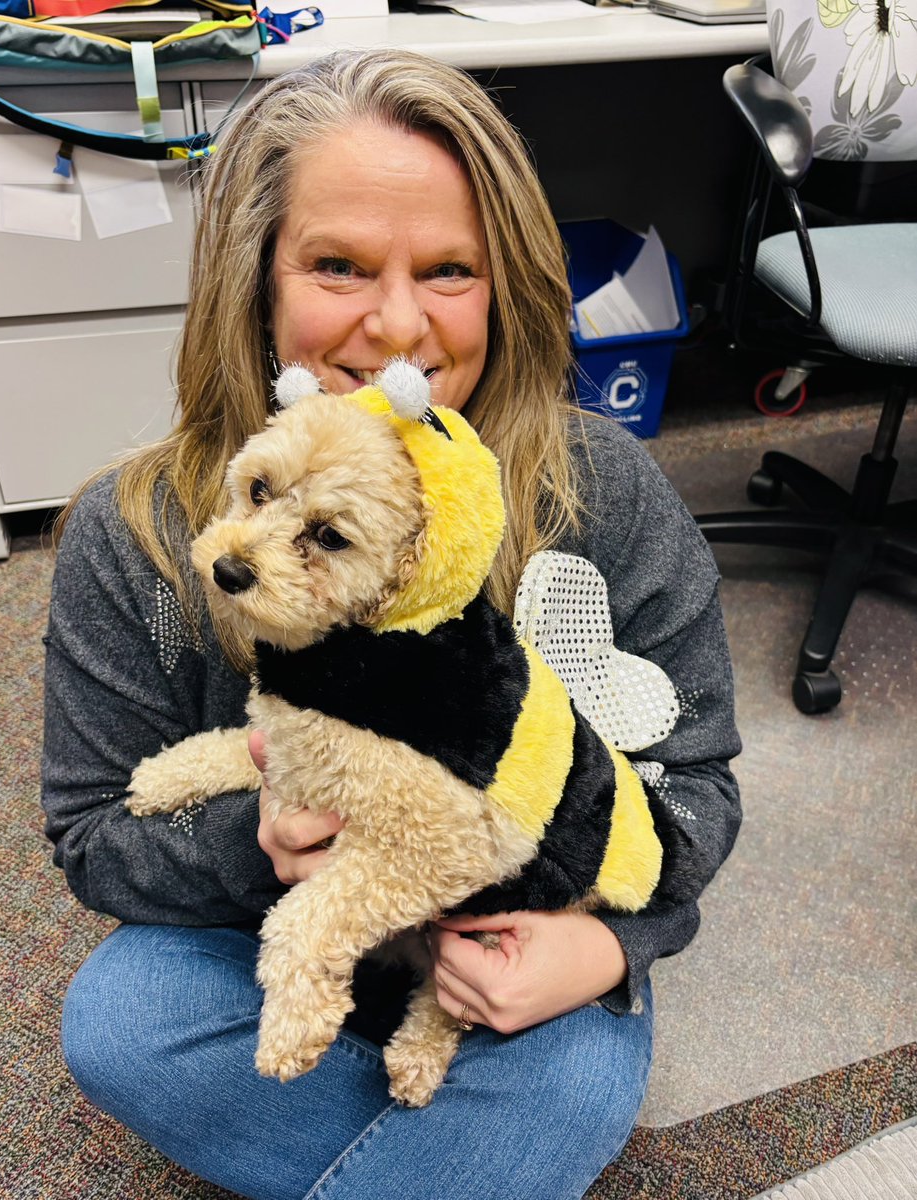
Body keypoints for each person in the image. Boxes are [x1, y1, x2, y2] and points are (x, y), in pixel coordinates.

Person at [43, 48, 741, 1200]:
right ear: (256, 279)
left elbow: (697, 790)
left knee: (562, 1081)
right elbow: (89, 835)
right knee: (124, 1022)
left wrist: (612, 947)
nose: (398, 326)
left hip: (505, 942)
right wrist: (256, 844)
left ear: (507, 286)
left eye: (451, 269)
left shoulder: (603, 496)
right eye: (337, 264)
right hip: (266, 924)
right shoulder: (143, 537)